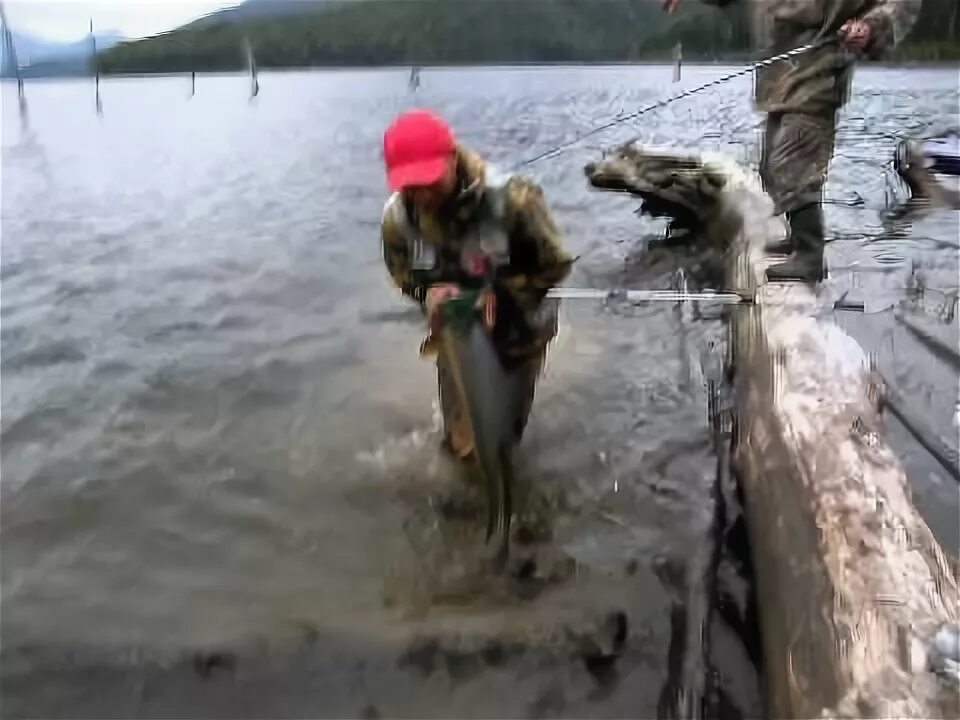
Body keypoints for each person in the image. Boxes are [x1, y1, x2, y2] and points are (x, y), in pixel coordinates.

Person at [663, 0, 922, 283]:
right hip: (782, 74)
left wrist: (871, 26)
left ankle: (810, 255)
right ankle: (799, 241)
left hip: (821, 69)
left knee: (795, 160)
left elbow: (900, 4)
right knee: (773, 165)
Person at [379, 109, 574, 461]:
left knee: (500, 436)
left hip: (520, 329)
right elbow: (402, 272)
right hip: (458, 328)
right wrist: (427, 294)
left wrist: (499, 293)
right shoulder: (398, 219)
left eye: (430, 180)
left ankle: (504, 491)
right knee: (460, 440)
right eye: (412, 185)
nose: (422, 195)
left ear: (452, 157)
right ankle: (464, 482)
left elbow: (554, 266)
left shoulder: (515, 200)